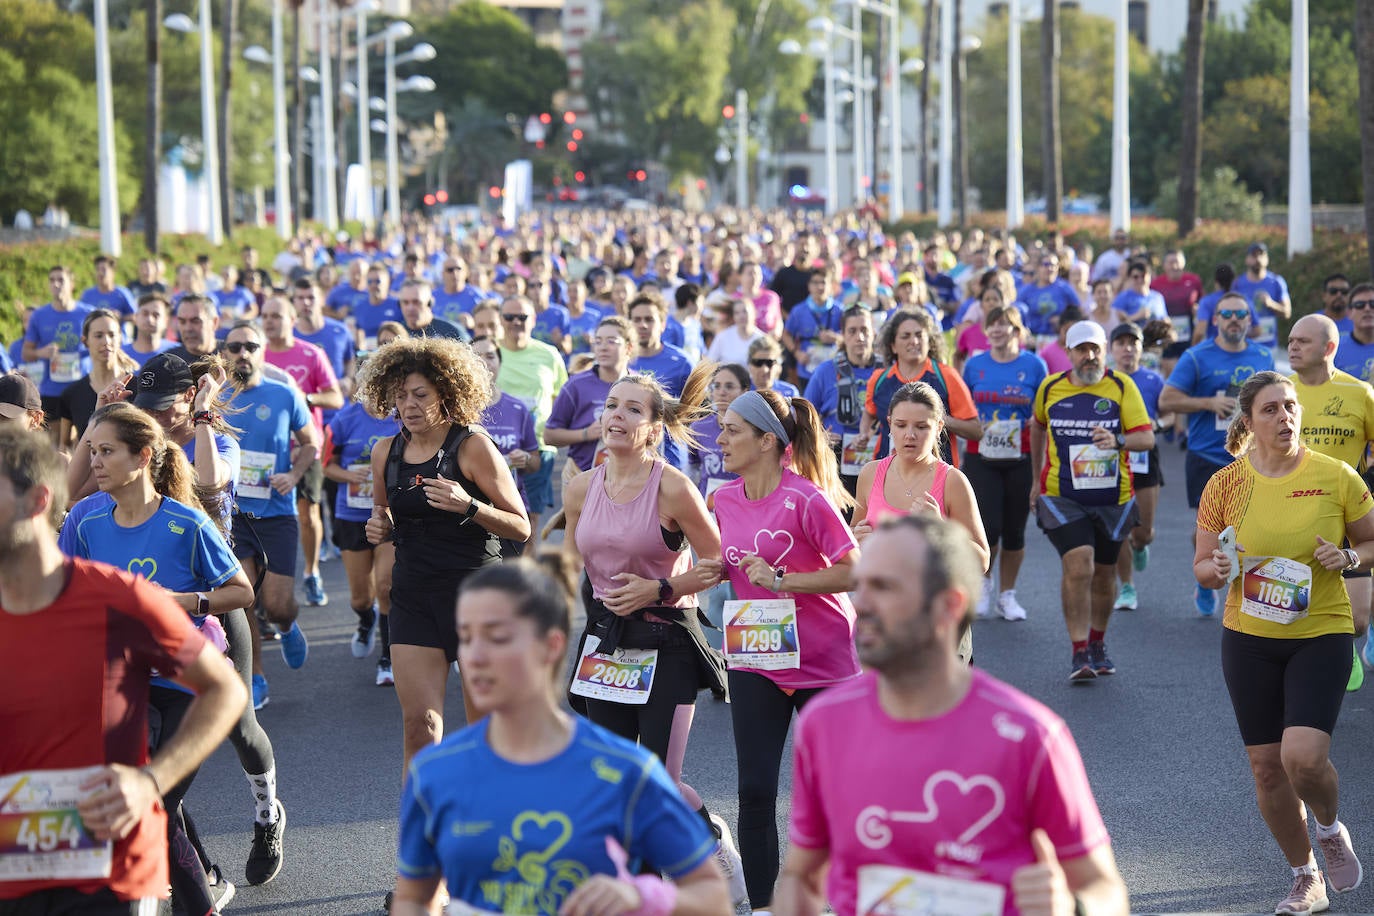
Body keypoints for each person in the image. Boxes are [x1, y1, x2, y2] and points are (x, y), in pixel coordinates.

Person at [775, 515, 1130, 916]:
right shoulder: (825, 724)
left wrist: (1073, 906)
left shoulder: (1029, 736)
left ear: (949, 605)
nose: (860, 603)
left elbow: (1104, 888)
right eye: (860, 585)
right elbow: (801, 875)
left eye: (885, 587)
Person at [389, 557, 729, 916]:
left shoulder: (624, 771)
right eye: (466, 638)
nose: (474, 657)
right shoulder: (434, 774)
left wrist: (642, 898)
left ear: (551, 646)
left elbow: (713, 898)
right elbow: (412, 898)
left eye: (497, 637)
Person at [0, 427, 245, 915]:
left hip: (110, 866)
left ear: (36, 501)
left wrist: (152, 782)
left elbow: (224, 691)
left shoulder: (117, 597)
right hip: (13, 860)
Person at [561, 365, 746, 907]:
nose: (616, 415)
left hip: (666, 640)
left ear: (653, 427)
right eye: (612, 405)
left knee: (656, 783)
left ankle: (708, 846)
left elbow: (719, 563)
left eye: (632, 409)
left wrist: (658, 589)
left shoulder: (672, 487)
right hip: (607, 643)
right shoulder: (579, 487)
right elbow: (568, 563)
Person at [1194, 371, 1373, 916]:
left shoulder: (1336, 475)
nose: (1285, 417)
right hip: (1248, 638)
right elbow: (1202, 567)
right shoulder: (1224, 484)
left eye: (1291, 406)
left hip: (1320, 630)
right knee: (1268, 768)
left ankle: (1328, 827)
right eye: (1271, 409)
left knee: (1305, 758)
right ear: (1249, 422)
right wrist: (1216, 567)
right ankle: (1305, 877)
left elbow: (1369, 541)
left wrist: (1347, 559)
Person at [63, 403, 254, 915]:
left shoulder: (185, 522)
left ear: (143, 456)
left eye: (107, 452)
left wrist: (182, 602)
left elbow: (241, 591)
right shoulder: (85, 521)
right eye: (92, 451)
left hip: (189, 685)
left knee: (156, 805)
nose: (95, 463)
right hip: (123, 683)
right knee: (145, 807)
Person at [711, 388, 861, 910]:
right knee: (754, 790)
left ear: (767, 441)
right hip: (757, 652)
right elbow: (723, 564)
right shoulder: (722, 499)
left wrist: (783, 583)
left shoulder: (807, 499)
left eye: (732, 430)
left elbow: (853, 570)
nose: (721, 438)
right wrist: (664, 587)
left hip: (824, 660)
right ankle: (766, 906)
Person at [358, 336, 531, 773]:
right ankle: (421, 834)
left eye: (420, 395)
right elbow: (386, 520)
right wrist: (380, 527)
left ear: (446, 394)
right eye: (400, 396)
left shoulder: (472, 447)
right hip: (415, 596)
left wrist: (468, 505)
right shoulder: (385, 453)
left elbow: (522, 526)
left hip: (476, 598)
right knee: (420, 725)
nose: (409, 405)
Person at [1030, 321, 1154, 682]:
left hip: (1112, 499)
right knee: (1079, 564)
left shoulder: (1120, 386)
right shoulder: (1050, 387)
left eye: (1095, 349)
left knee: (1103, 575)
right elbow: (1036, 426)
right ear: (1068, 353)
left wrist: (1116, 440)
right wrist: (1035, 480)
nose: (1090, 356)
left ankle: (1098, 643)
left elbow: (1145, 439)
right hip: (1061, 495)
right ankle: (1079, 650)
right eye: (1082, 350)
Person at [222, 322, 319, 713]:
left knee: (277, 604)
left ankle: (285, 624)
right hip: (233, 514)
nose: (242, 352)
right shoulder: (215, 399)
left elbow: (312, 443)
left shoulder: (284, 394)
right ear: (224, 353)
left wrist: (293, 474)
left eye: (250, 345)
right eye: (234, 347)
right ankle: (256, 675)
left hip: (277, 511)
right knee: (243, 596)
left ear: (262, 351)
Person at [1159, 292, 1274, 617]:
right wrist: (1206, 403)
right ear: (1216, 320)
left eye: (1240, 314)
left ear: (1249, 320)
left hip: (1252, 459)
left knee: (1254, 528)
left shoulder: (1263, 356)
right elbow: (1167, 400)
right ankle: (1205, 576)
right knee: (1204, 529)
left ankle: (1252, 595)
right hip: (1206, 454)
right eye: (1227, 314)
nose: (1234, 319)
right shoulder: (1197, 357)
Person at [1285, 314, 1374, 691]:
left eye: (1303, 341)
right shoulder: (1280, 392)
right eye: (1290, 340)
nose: (1293, 346)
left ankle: (1346, 644)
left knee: (1357, 619)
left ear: (1329, 348)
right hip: (1291, 511)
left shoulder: (1360, 393)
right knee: (1292, 607)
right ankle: (1312, 668)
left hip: (1347, 514)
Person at [962, 303, 1048, 619]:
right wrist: (972, 422)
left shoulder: (1035, 366)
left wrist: (1033, 424)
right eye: (992, 325)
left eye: (1003, 324)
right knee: (988, 527)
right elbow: (961, 408)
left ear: (1016, 330)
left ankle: (1007, 595)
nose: (997, 330)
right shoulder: (974, 366)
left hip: (1021, 456)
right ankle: (983, 582)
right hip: (981, 455)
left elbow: (1045, 412)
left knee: (1014, 531)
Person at [853, 382, 991, 575]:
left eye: (921, 426)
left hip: (931, 602)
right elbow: (852, 539)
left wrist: (941, 530)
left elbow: (982, 561)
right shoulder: (870, 473)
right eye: (901, 425)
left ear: (938, 427)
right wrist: (856, 540)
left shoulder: (953, 481)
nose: (910, 435)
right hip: (878, 601)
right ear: (890, 424)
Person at [261, 296, 343, 608]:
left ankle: (311, 572)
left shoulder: (311, 353)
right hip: (268, 450)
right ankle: (269, 585)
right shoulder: (256, 355)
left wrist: (303, 399)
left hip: (306, 445)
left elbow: (335, 398)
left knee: (308, 514)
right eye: (265, 316)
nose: (270, 321)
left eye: (277, 316)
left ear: (292, 319)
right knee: (264, 518)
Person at [325, 385, 402, 687]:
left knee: (386, 586)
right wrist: (350, 475)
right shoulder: (344, 419)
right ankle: (366, 619)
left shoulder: (400, 418)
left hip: (388, 514)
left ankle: (387, 657)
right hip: (352, 515)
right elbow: (326, 466)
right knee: (360, 597)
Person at [855, 308, 980, 465]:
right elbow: (869, 413)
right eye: (905, 336)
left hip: (936, 477)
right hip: (888, 474)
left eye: (919, 335)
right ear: (893, 345)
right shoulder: (879, 378)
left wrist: (937, 419)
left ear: (929, 341)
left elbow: (976, 430)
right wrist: (863, 434)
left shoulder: (947, 376)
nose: (913, 341)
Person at [495, 295, 567, 547]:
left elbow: (560, 398)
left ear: (534, 320)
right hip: (494, 448)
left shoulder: (549, 354)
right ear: (501, 320)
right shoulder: (491, 353)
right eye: (509, 317)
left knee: (529, 524)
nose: (516, 322)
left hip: (536, 448)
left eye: (522, 317)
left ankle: (524, 583)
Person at [1108, 323, 1165, 614]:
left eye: (1134, 343)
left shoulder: (1153, 380)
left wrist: (1160, 424)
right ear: (1112, 349)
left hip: (1144, 458)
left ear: (1142, 349)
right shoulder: (1105, 381)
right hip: (1112, 460)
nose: (1128, 348)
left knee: (1142, 531)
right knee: (1119, 528)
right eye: (1121, 343)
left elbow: (1166, 414)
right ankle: (1127, 586)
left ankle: (1140, 545)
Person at [804, 306, 880, 499]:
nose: (859, 337)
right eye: (852, 331)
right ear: (843, 336)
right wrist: (821, 436)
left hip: (881, 457)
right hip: (836, 460)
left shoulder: (887, 372)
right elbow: (804, 416)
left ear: (874, 333)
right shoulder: (825, 371)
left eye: (864, 330)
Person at [545, 316, 636, 473]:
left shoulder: (641, 387)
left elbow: (657, 434)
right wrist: (585, 434)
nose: (602, 347)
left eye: (611, 341)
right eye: (598, 341)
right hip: (580, 475)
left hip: (628, 477)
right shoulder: (576, 385)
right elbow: (549, 436)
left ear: (628, 348)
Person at [22, 265, 93, 439]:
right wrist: (41, 353)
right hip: (52, 390)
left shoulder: (87, 313)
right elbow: (26, 353)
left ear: (71, 284)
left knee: (83, 441)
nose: (56, 284)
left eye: (61, 279)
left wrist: (83, 352)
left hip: (82, 386)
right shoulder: (39, 315)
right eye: (52, 280)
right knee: (54, 444)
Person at [58, 309, 137, 448]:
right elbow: (65, 446)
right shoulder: (72, 394)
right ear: (85, 340)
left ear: (120, 337)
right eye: (98, 335)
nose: (106, 341)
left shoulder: (138, 387)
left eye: (112, 335)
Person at [1233, 242, 1292, 350]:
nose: (1258, 259)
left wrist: (1271, 304)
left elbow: (1287, 313)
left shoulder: (1276, 281)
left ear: (1267, 259)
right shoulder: (1237, 284)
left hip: (1269, 346)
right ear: (1247, 259)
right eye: (1254, 255)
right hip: (1244, 346)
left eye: (1262, 255)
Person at [397, 279, 469, 342]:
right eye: (405, 302)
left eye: (416, 302)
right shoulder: (395, 333)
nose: (410, 308)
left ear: (429, 303)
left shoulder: (452, 332)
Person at [124, 293, 177, 368]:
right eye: (145, 314)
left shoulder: (178, 353)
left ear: (166, 321)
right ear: (136, 317)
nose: (149, 319)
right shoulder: (121, 354)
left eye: (156, 315)